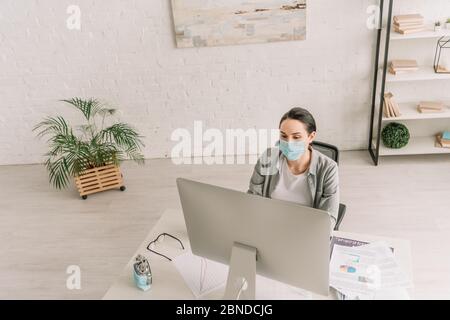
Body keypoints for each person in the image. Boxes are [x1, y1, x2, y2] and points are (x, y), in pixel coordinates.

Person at [248, 107, 340, 231]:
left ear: (311, 137)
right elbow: (252, 200)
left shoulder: (328, 168)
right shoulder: (268, 158)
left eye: (296, 137)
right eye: (284, 136)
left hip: (305, 232)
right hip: (269, 227)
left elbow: (328, 220)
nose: (289, 142)